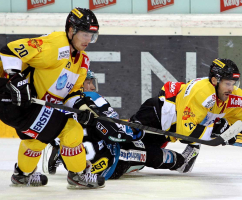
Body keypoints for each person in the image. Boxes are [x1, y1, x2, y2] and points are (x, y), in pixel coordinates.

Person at [0, 7, 105, 189]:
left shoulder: (83, 61)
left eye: (92, 35)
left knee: (37, 139)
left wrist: (82, 109)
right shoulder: (55, 45)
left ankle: (22, 175)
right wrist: (15, 78)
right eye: (84, 34)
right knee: (71, 130)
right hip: (12, 101)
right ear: (70, 30)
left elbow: (72, 93)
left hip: (30, 105)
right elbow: (9, 50)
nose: (88, 40)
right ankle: (78, 174)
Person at [129, 58, 242, 173]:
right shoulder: (201, 92)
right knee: (126, 143)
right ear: (215, 81)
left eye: (233, 83)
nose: (231, 88)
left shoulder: (234, 96)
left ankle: (181, 161)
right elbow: (184, 131)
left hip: (168, 133)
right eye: (227, 83)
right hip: (157, 115)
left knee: (138, 157)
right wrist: (217, 130)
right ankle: (185, 155)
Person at [44, 70, 189, 179]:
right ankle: (181, 162)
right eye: (88, 82)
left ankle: (60, 153)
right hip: (108, 165)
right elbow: (117, 133)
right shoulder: (91, 98)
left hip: (78, 169)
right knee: (144, 150)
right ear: (79, 84)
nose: (92, 87)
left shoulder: (58, 105)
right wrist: (138, 131)